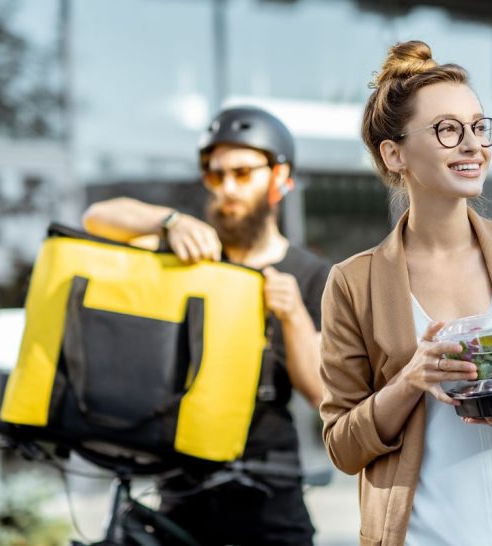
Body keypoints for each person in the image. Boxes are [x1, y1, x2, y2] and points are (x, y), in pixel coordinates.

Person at [319, 41, 492, 546]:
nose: (473, 144)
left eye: (478, 126)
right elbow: (342, 446)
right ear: (395, 153)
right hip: (419, 535)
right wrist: (409, 381)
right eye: (447, 130)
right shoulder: (353, 282)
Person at [82, 105, 329, 546]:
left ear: (280, 179)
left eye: (242, 173)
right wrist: (167, 221)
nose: (227, 188)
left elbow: (320, 394)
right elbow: (97, 218)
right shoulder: (188, 251)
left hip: (270, 493)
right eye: (216, 175)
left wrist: (291, 315)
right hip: (182, 491)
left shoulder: (310, 274)